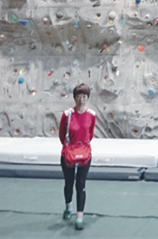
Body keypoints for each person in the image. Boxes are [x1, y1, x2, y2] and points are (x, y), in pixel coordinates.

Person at [58, 83, 96, 230]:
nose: (82, 99)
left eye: (84, 96)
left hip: (84, 153)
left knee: (81, 184)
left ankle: (79, 216)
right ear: (74, 98)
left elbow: (90, 134)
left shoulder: (91, 115)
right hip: (68, 153)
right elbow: (62, 135)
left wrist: (82, 147)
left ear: (88, 98)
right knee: (69, 182)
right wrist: (70, 148)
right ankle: (68, 207)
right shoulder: (67, 115)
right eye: (79, 96)